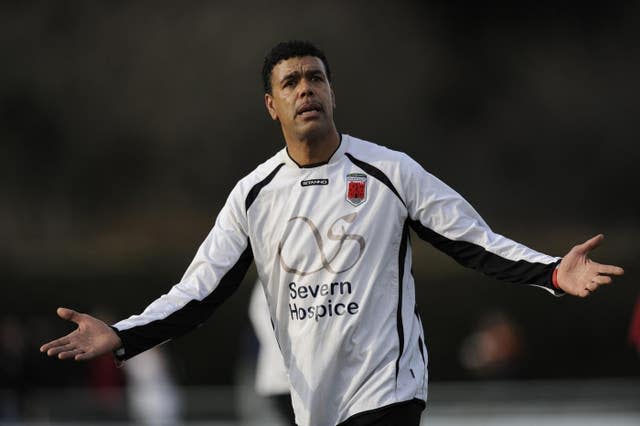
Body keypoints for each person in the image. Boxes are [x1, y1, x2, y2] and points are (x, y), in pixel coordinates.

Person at [40, 40, 624, 426]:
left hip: (388, 389)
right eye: (290, 82)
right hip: (310, 401)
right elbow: (198, 291)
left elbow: (472, 239)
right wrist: (122, 334)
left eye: (315, 78)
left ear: (333, 92)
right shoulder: (253, 194)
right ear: (272, 105)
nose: (305, 89)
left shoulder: (389, 172)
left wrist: (551, 271)